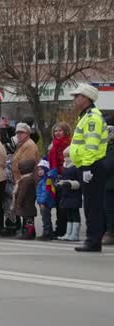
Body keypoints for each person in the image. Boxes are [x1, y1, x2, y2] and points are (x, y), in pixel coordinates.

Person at [69, 84, 109, 252]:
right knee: (91, 204)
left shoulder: (92, 118)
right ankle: (93, 240)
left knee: (93, 205)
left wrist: (87, 167)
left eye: (77, 96)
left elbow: (91, 146)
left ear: (86, 98)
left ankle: (93, 241)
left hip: (91, 166)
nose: (74, 99)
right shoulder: (86, 116)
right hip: (88, 165)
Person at [48, 122, 72, 237]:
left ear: (65, 131)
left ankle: (63, 229)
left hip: (65, 176)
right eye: (55, 131)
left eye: (60, 130)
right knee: (58, 204)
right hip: (54, 176)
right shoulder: (53, 144)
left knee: (64, 204)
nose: (57, 133)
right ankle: (59, 228)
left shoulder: (68, 144)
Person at [56, 146, 82, 241]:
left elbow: (80, 182)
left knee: (75, 213)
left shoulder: (77, 167)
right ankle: (68, 232)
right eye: (65, 156)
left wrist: (69, 184)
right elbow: (64, 178)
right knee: (69, 214)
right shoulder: (65, 167)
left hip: (74, 194)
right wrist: (60, 182)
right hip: (66, 194)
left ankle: (75, 233)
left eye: (68, 156)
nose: (66, 158)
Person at [13, 160, 38, 240]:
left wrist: (18, 203)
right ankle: (30, 232)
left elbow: (22, 192)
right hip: (29, 203)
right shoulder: (30, 178)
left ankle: (28, 233)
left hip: (26, 203)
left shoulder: (26, 180)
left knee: (28, 219)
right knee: (28, 219)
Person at [35, 159, 58, 241]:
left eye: (41, 169)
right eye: (38, 170)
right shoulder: (43, 180)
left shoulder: (46, 180)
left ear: (46, 170)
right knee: (45, 218)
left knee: (46, 218)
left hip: (45, 203)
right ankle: (48, 232)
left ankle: (47, 233)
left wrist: (42, 202)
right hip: (43, 202)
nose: (39, 171)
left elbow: (46, 191)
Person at [103, 125, 114, 245]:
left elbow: (107, 165)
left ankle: (111, 233)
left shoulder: (111, 148)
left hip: (110, 184)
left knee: (110, 210)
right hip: (108, 183)